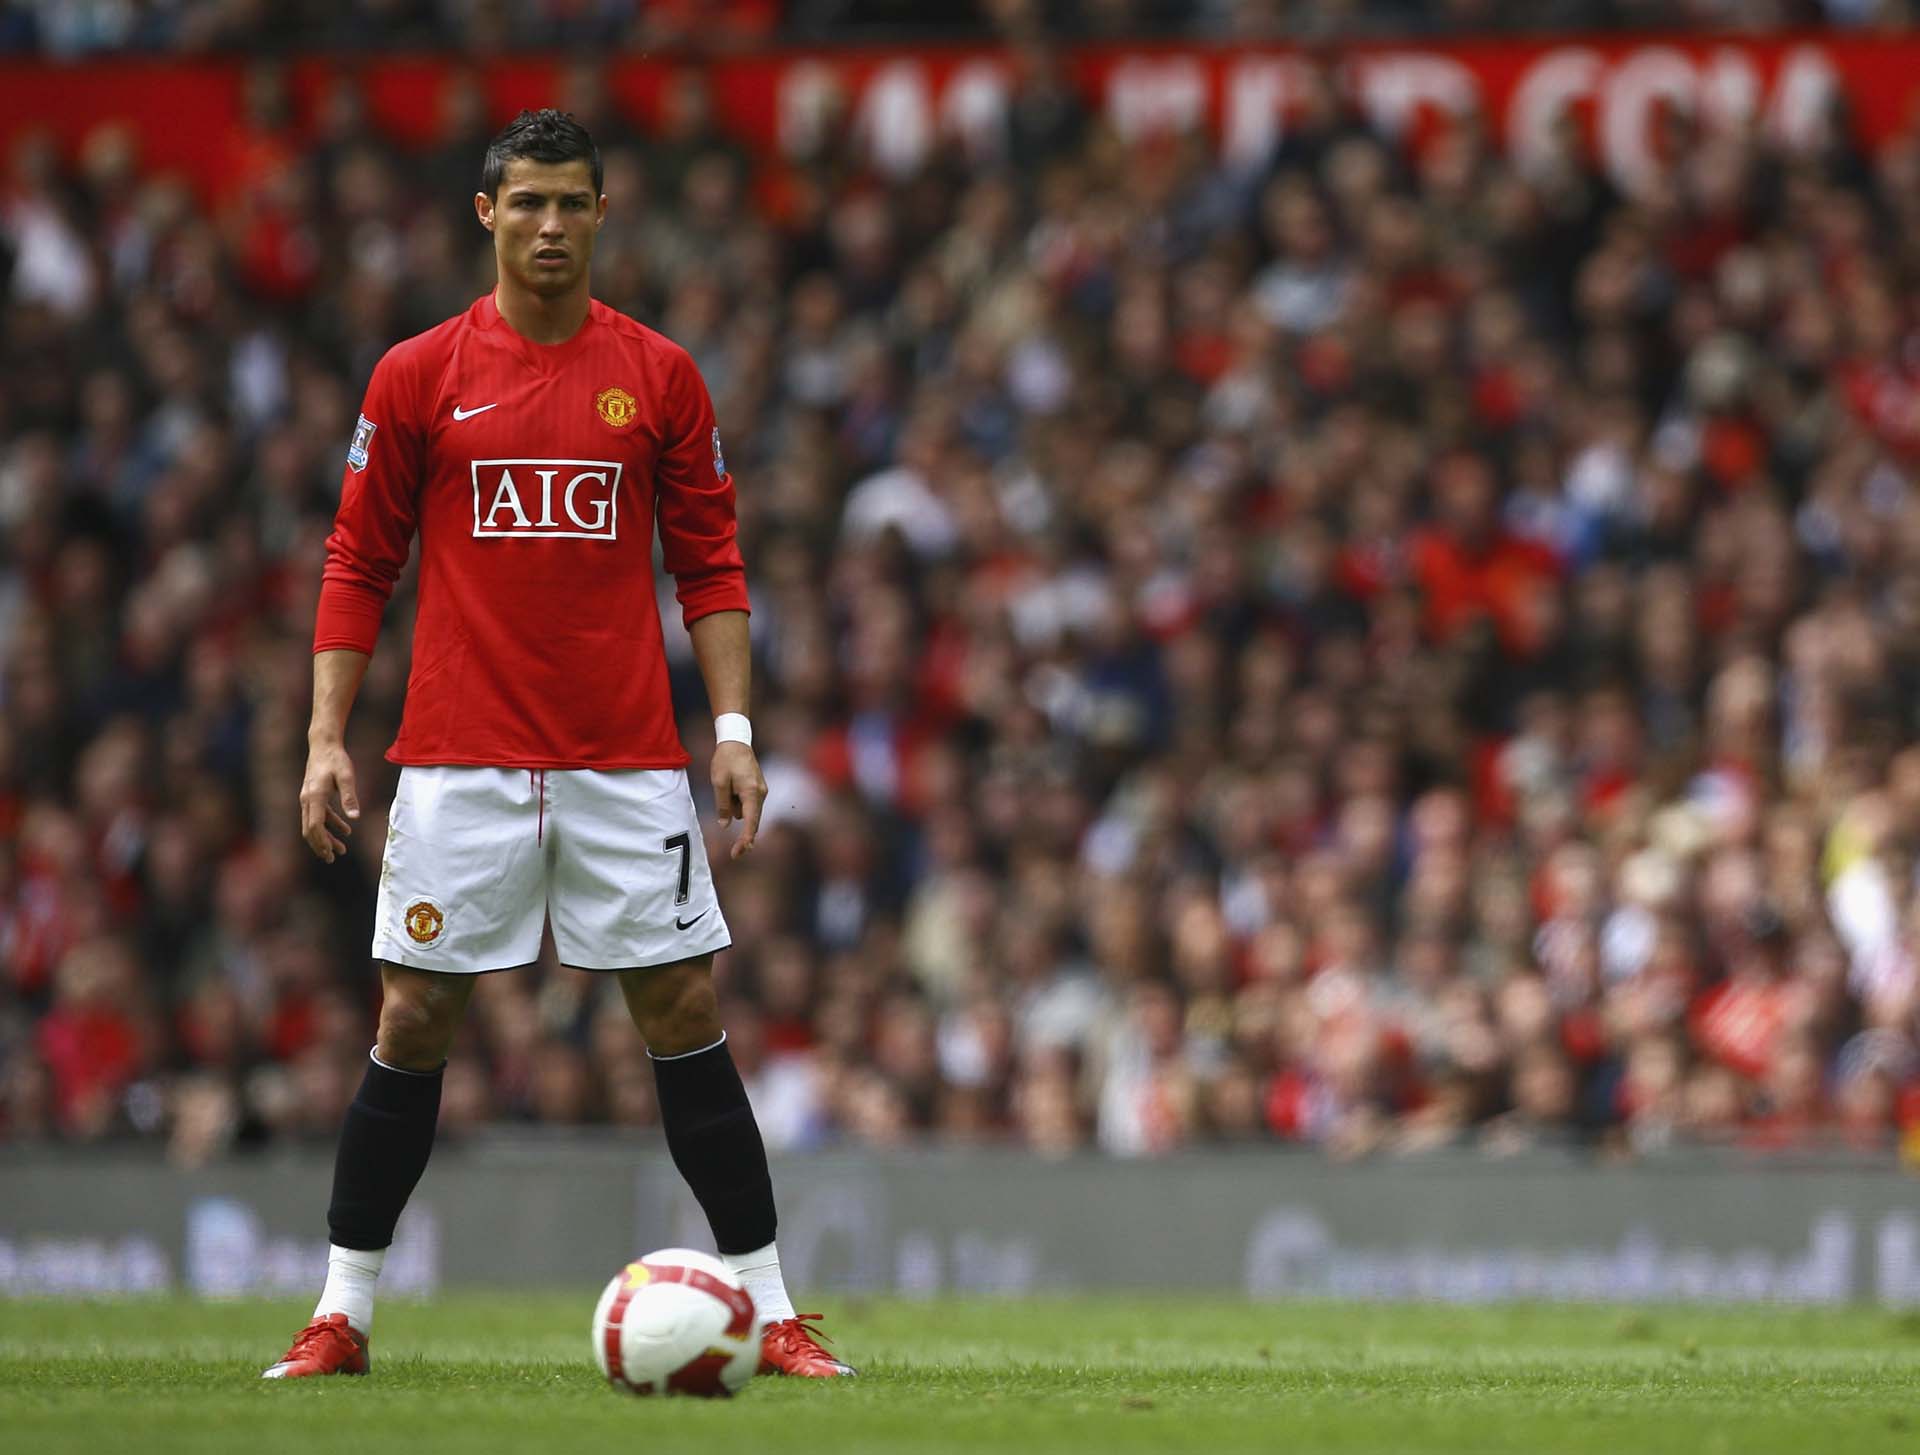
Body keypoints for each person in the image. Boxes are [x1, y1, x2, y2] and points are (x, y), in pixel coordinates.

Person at [262, 109, 854, 1381]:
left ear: (601, 215)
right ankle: (342, 1315)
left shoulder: (660, 375)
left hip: (623, 761)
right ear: (487, 213)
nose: (548, 226)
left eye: (571, 203)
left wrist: (734, 730)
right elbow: (359, 559)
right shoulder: (417, 375)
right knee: (414, 1016)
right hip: (459, 758)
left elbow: (712, 564)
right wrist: (323, 738)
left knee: (684, 1007)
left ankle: (773, 1311)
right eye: (526, 202)